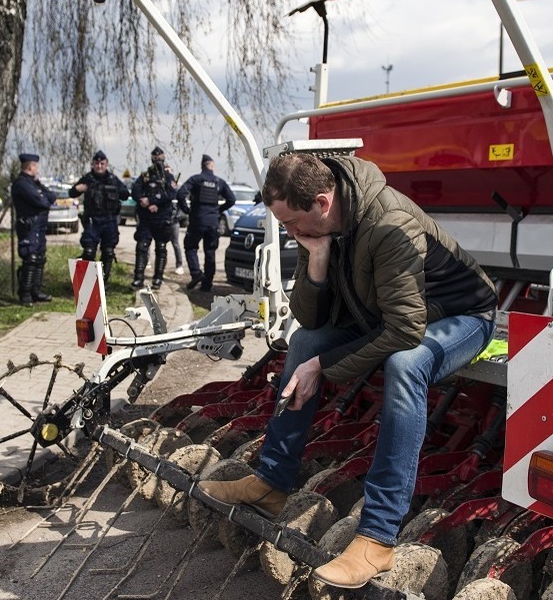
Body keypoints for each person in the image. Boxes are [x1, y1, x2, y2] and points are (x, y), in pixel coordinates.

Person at [198, 153, 498, 589]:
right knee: (304, 342)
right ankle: (272, 483)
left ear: (322, 203)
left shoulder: (389, 224)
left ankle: (377, 539)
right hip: (390, 313)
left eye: (292, 223)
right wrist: (317, 262)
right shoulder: (321, 226)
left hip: (463, 315)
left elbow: (404, 330)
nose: (290, 233)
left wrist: (323, 366)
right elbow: (310, 320)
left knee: (405, 364)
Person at [69, 150, 129, 284]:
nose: (99, 166)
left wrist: (117, 190)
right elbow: (72, 193)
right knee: (89, 251)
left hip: (109, 220)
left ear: (106, 164)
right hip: (93, 220)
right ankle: (88, 284)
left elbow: (125, 194)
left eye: (102, 163)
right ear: (93, 164)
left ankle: (102, 283)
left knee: (108, 252)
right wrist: (78, 189)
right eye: (97, 163)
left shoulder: (112, 179)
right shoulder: (88, 178)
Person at [176, 154, 235, 291]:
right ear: (212, 166)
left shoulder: (196, 179)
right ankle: (207, 284)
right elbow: (231, 199)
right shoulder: (219, 182)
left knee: (190, 247)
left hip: (197, 220)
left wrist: (187, 210)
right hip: (213, 222)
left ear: (202, 166)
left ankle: (196, 273)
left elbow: (180, 194)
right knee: (210, 252)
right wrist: (218, 210)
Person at [10, 153, 57, 306]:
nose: (37, 169)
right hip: (29, 225)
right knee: (30, 257)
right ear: (31, 166)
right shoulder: (22, 184)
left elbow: (51, 197)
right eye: (35, 166)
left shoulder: (34, 183)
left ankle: (36, 291)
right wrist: (43, 197)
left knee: (40, 257)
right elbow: (42, 202)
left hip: (40, 226)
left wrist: (41, 188)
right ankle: (25, 294)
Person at [130, 146, 178, 289]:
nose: (157, 161)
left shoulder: (168, 176)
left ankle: (158, 278)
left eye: (159, 158)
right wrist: (143, 201)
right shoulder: (145, 175)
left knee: (161, 248)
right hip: (146, 218)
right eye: (155, 158)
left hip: (162, 218)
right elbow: (135, 191)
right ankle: (138, 278)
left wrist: (152, 201)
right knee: (142, 246)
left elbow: (171, 194)